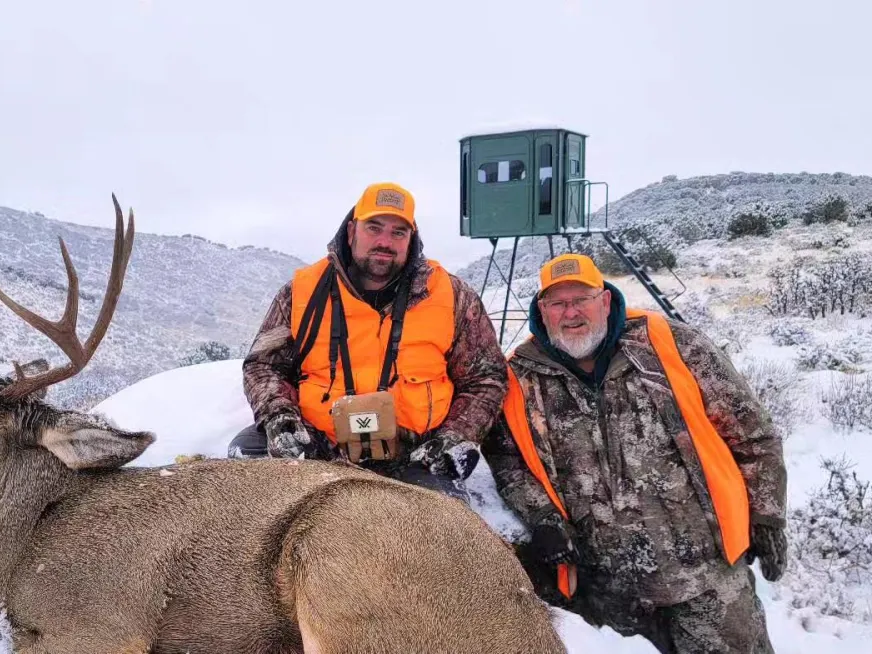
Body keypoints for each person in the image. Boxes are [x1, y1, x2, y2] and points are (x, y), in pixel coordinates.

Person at [481, 253, 788, 653]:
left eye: (582, 299)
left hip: (705, 577)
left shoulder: (671, 345)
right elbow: (507, 463)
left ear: (605, 300)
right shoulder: (519, 377)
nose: (571, 313)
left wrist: (766, 515)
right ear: (542, 310)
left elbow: (752, 432)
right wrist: (542, 517)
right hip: (605, 592)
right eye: (557, 303)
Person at [229, 181, 509, 501]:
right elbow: (263, 366)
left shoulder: (452, 295)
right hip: (318, 447)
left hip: (416, 456)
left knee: (435, 530)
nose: (384, 242)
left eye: (398, 233)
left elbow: (487, 378)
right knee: (246, 454)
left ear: (411, 239)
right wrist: (281, 417)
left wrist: (456, 436)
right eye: (373, 227)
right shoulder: (300, 293)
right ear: (352, 232)